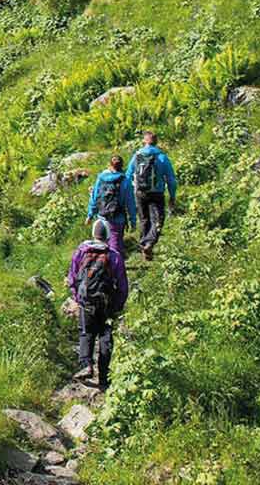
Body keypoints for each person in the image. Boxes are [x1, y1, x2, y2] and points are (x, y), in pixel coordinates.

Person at [66, 218, 129, 389]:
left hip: (86, 301)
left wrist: (78, 297)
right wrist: (118, 305)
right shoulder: (114, 256)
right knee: (105, 337)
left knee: (86, 333)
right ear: (108, 235)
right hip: (106, 304)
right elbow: (122, 285)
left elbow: (72, 277)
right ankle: (103, 378)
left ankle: (86, 365)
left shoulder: (81, 251)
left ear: (93, 234)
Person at [125, 130, 178, 260]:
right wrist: (172, 196)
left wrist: (129, 195)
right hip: (157, 192)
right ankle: (149, 243)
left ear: (144, 141)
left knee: (144, 219)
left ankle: (144, 245)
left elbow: (128, 175)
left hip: (140, 192)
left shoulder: (137, 156)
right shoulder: (162, 157)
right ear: (156, 141)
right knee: (158, 219)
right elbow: (171, 179)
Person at [87, 154, 136, 254]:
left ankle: (101, 265)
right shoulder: (125, 181)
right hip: (118, 218)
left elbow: (94, 197)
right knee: (116, 245)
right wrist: (133, 220)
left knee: (101, 245)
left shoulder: (101, 178)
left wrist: (90, 215)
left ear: (109, 165)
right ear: (122, 166)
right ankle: (116, 266)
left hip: (102, 217)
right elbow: (130, 203)